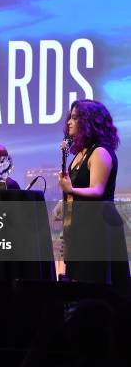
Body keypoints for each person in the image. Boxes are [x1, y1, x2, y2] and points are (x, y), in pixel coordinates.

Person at [57, 99, 129, 289]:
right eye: (69, 118)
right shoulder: (80, 153)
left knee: (93, 282)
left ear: (89, 122)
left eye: (74, 118)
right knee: (78, 280)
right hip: (83, 226)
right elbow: (77, 188)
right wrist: (62, 201)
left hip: (98, 226)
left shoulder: (100, 152)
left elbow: (97, 190)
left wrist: (70, 190)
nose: (69, 122)